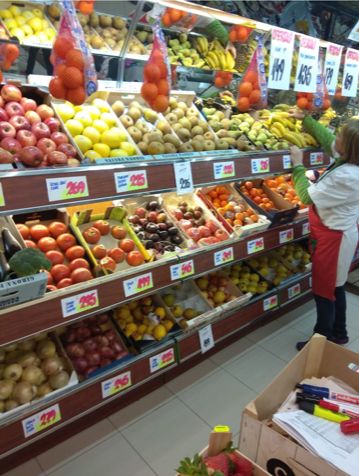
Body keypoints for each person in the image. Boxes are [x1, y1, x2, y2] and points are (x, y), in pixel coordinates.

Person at [290, 113, 359, 351]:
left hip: (335, 238)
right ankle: (339, 333)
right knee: (336, 286)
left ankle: (321, 340)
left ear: (348, 146)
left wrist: (298, 165)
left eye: (341, 135)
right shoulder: (350, 159)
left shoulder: (349, 176)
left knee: (324, 290)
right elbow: (328, 138)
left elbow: (306, 196)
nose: (335, 136)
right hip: (336, 232)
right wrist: (307, 120)